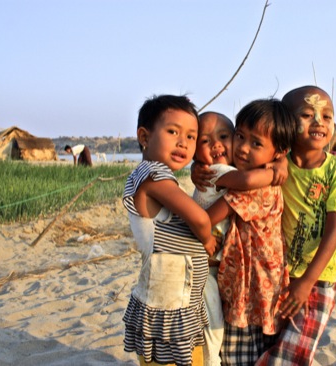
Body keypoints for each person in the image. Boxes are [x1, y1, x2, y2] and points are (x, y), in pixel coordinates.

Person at [256, 86, 336, 365]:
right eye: (307, 114)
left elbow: (333, 233)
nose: (319, 121)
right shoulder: (277, 166)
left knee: (290, 356)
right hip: (278, 276)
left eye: (327, 116)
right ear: (286, 124)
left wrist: (306, 282)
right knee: (281, 345)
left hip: (318, 279)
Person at [122, 95, 216, 366]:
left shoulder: (154, 175)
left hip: (178, 302)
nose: (183, 143)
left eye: (191, 136)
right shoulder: (153, 176)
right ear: (144, 136)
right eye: (173, 131)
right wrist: (207, 239)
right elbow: (199, 219)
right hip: (167, 306)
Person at [204, 99, 297, 365]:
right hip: (255, 285)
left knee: (239, 355)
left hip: (251, 288)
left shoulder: (256, 187)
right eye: (239, 136)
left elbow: (206, 219)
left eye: (256, 143)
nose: (243, 148)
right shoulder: (255, 176)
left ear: (279, 151)